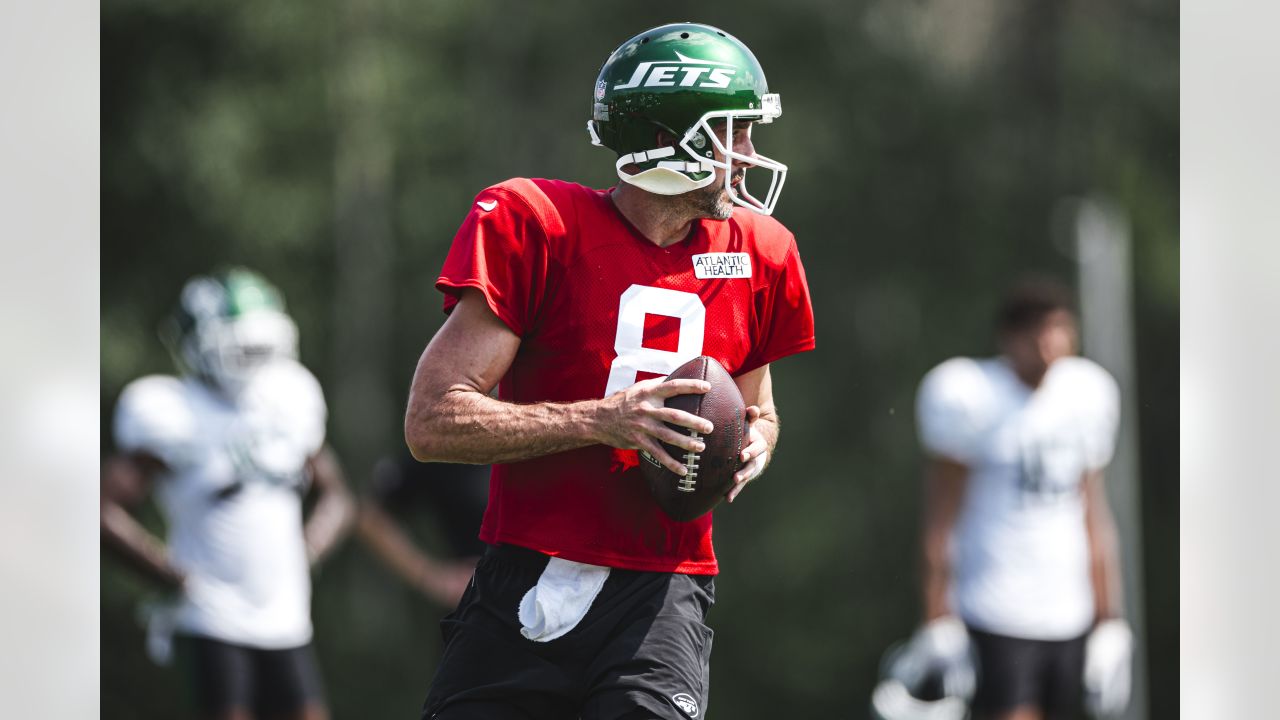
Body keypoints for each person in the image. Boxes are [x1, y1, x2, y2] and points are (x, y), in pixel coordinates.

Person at [403, 22, 814, 720]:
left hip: (659, 593)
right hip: (523, 573)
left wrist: (754, 446)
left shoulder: (760, 252)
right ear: (671, 136)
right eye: (732, 133)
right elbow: (431, 421)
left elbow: (760, 411)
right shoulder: (539, 226)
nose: (748, 155)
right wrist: (605, 418)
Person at [101, 268, 356, 720]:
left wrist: (308, 551)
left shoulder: (288, 398)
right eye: (238, 345)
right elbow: (100, 508)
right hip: (209, 616)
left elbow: (337, 497)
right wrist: (166, 572)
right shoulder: (172, 411)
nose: (250, 356)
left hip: (286, 616)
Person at [891, 278, 1133, 720]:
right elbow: (941, 520)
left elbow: (1094, 513)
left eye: (1058, 327)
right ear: (1009, 338)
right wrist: (938, 617)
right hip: (996, 608)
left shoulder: (1086, 395)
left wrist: (1109, 618)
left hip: (1069, 610)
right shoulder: (972, 397)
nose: (1048, 343)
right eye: (1037, 330)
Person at [356, 451, 489, 608]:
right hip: (484, 611)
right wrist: (429, 575)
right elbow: (370, 514)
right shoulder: (440, 450)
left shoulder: (522, 441)